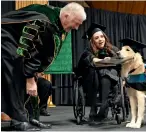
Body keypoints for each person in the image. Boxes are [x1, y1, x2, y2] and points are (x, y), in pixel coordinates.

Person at [1, 2, 86, 131]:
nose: (76, 28)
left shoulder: (55, 18)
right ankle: (19, 120)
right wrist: (29, 78)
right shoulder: (44, 21)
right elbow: (29, 48)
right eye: (76, 23)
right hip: (4, 39)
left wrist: (33, 74)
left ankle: (30, 118)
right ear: (67, 16)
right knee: (16, 72)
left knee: (28, 75)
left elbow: (40, 52)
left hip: (15, 42)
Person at [77, 23, 121, 121]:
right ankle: (95, 107)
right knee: (94, 71)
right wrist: (101, 61)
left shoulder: (113, 49)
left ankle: (104, 104)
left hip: (110, 80)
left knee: (108, 72)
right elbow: (89, 60)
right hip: (93, 80)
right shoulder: (88, 51)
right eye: (96, 38)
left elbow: (120, 64)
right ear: (92, 41)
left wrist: (112, 59)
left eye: (102, 36)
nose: (100, 39)